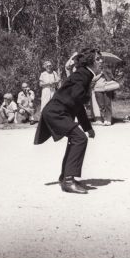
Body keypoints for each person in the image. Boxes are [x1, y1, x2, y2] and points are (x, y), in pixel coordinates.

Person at [34, 48, 102, 194]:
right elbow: (79, 97)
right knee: (79, 139)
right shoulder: (83, 74)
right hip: (56, 113)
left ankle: (65, 177)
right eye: (98, 59)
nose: (101, 61)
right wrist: (89, 91)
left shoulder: (85, 75)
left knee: (77, 138)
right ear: (90, 61)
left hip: (56, 111)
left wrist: (87, 127)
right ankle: (68, 181)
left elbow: (77, 105)